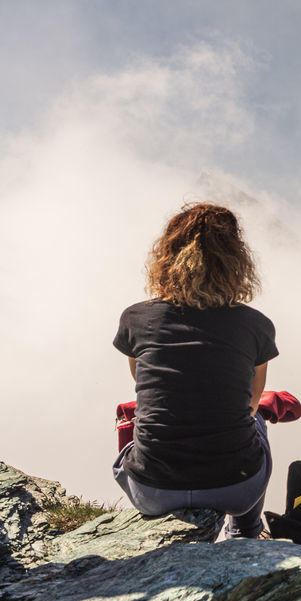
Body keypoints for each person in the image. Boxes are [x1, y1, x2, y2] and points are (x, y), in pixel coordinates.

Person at [111, 203, 278, 539]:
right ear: (237, 262)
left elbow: (139, 381)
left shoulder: (136, 319)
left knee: (138, 427)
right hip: (236, 488)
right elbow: (252, 401)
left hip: (153, 491)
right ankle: (246, 530)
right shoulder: (256, 325)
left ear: (167, 256)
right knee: (256, 420)